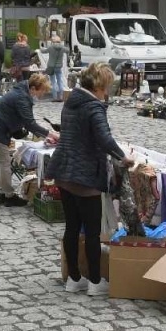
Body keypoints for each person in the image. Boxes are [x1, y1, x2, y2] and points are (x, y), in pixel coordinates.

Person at [52, 63, 130, 296]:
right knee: (93, 231)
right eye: (106, 87)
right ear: (98, 86)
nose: (107, 92)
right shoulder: (94, 107)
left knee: (72, 227)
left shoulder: (72, 101)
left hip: (64, 170)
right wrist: (123, 157)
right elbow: (104, 138)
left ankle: (74, 278)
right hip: (85, 175)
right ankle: (96, 281)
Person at [0, 73, 58, 207]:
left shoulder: (22, 92)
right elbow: (30, 123)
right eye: (42, 91)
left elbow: (25, 120)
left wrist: (45, 135)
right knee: (4, 162)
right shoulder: (21, 97)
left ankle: (4, 193)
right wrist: (51, 134)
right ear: (34, 88)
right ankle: (9, 196)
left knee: (2, 162)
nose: (42, 95)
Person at [44, 32, 67, 100]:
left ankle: (54, 97)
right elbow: (68, 50)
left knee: (53, 82)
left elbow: (43, 51)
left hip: (51, 66)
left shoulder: (51, 47)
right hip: (59, 67)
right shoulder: (62, 48)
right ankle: (61, 97)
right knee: (60, 81)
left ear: (53, 42)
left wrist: (40, 49)